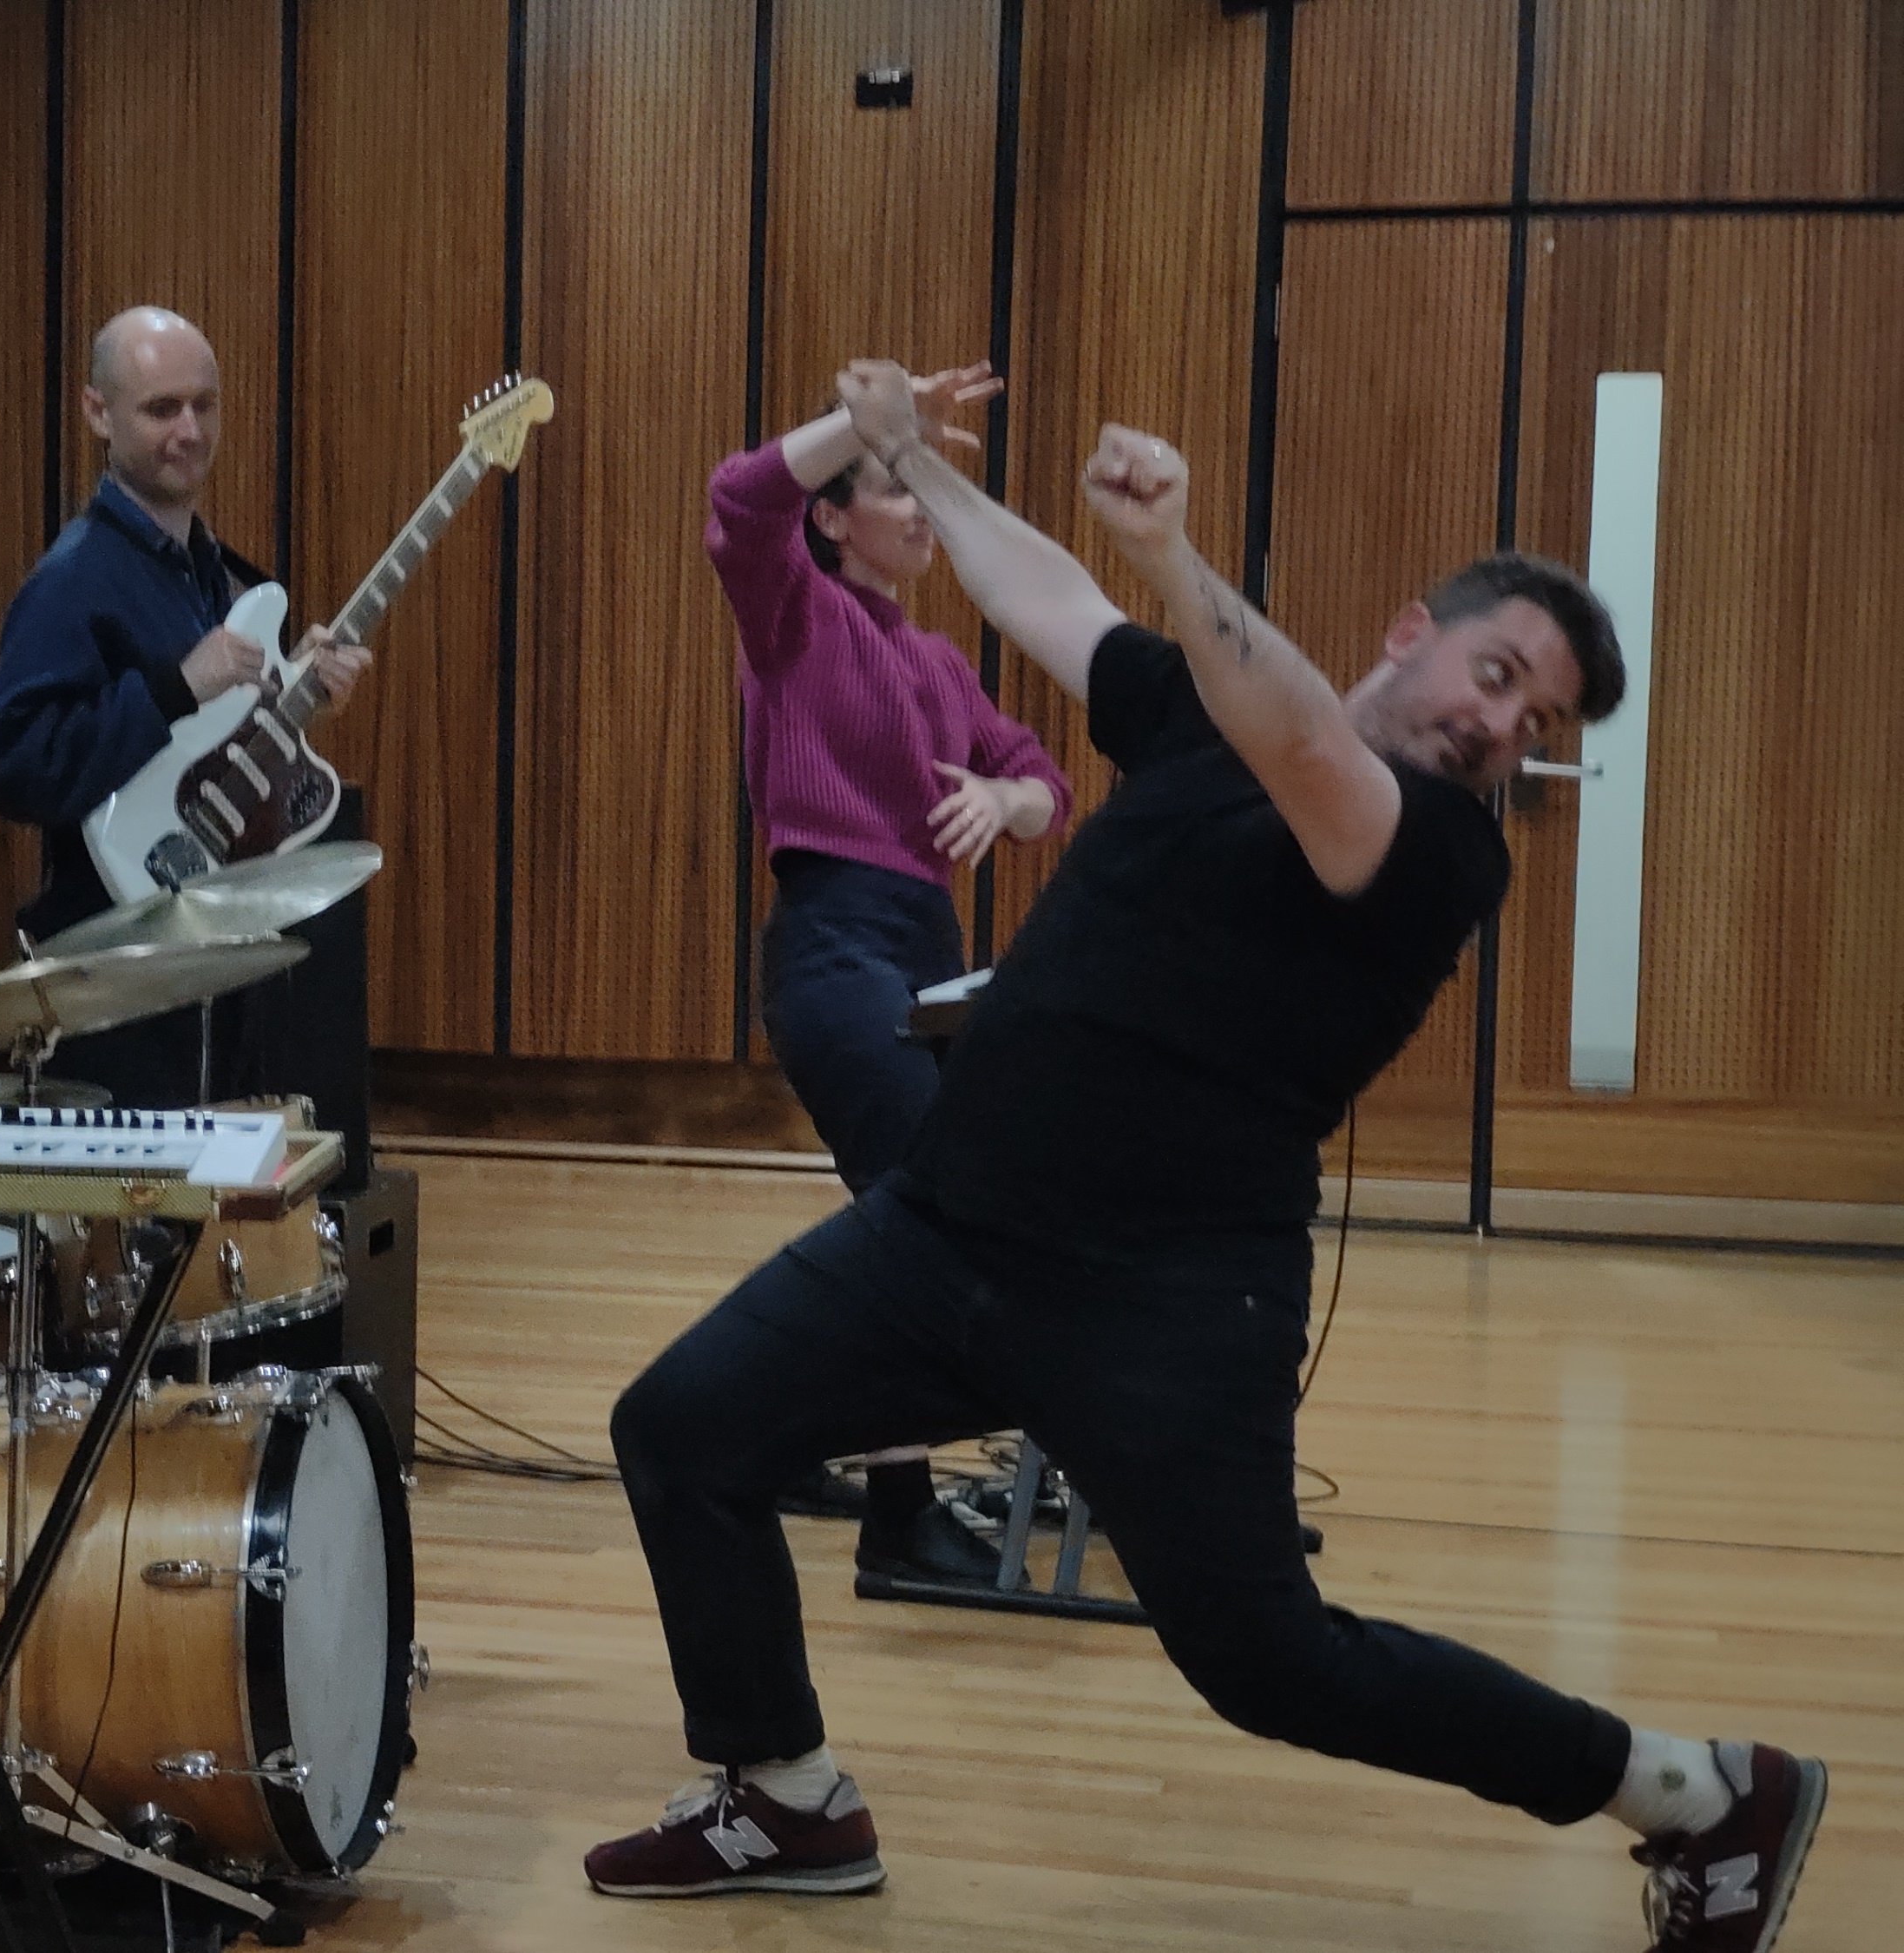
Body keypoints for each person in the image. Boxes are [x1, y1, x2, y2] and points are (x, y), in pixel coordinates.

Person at [585, 360, 1822, 1951]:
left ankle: (1696, 1793)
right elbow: (1053, 600)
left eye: (1539, 717)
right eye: (1498, 671)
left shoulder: (1441, 849)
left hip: (1166, 1299)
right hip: (949, 1234)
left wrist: (1175, 558)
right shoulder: (1193, 720)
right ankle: (785, 1792)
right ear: (1410, 631)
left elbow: (1310, 750)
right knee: (682, 1430)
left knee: (1269, 1663)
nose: (1503, 723)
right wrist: (923, 470)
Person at [704, 363, 1071, 1571]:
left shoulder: (941, 663)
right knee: (919, 1203)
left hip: (928, 953)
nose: (923, 509)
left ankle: (770, 1421)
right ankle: (899, 1515)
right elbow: (739, 498)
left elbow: (1042, 779)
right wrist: (856, 425)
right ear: (834, 513)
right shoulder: (792, 610)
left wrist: (1013, 795)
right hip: (835, 944)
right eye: (896, 487)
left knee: (920, 1203)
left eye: (925, 487)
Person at [0, 306, 372, 1107]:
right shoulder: (74, 580)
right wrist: (173, 685)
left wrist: (298, 699)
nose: (189, 430)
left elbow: (197, 755)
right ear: (97, 414)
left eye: (203, 404)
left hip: (213, 976)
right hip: (119, 989)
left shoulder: (216, 573)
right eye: (161, 409)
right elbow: (8, 761)